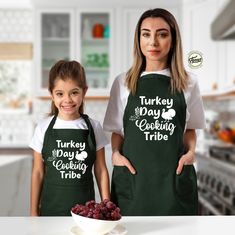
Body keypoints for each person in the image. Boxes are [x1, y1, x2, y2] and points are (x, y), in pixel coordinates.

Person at [103, 8, 205, 216]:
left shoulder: (189, 82)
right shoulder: (123, 82)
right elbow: (118, 132)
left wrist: (191, 153)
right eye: (146, 34)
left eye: (162, 34)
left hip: (173, 185)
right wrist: (115, 155)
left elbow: (190, 128)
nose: (153, 42)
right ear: (138, 39)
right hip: (134, 183)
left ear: (173, 39)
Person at [29, 60, 110, 216]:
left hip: (86, 214)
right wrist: (33, 212)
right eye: (60, 94)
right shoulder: (42, 128)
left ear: (84, 92)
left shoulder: (94, 127)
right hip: (50, 212)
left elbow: (100, 170)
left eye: (74, 92)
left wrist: (107, 207)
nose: (67, 100)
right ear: (51, 94)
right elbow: (38, 172)